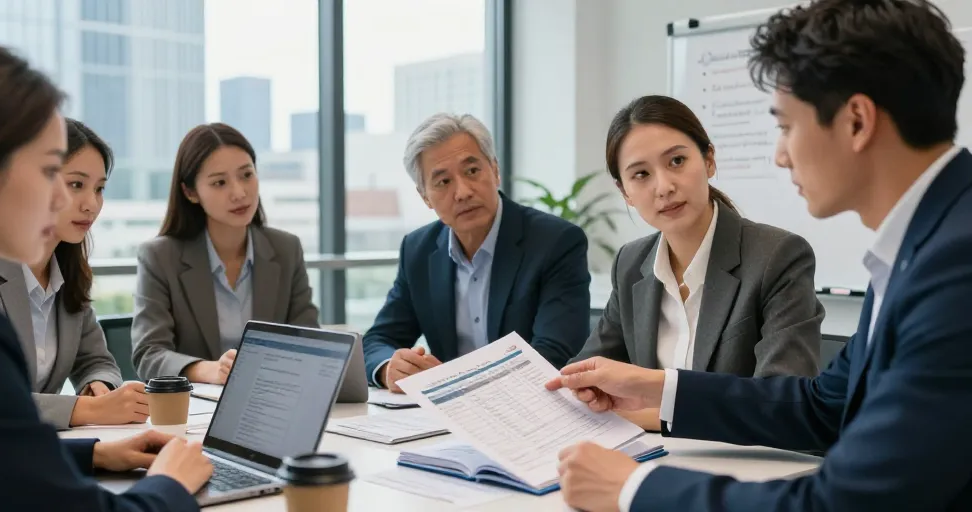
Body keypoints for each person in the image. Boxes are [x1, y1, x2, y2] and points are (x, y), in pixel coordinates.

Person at [547, 1, 972, 510]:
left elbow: (847, 503)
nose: (780, 154)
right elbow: (820, 408)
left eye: (787, 125)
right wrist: (654, 387)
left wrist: (633, 488)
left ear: (856, 121)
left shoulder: (956, 266)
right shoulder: (920, 248)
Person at [0, 41, 211, 511]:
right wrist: (171, 484)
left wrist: (93, 453)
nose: (69, 202)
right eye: (52, 172)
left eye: (96, 188)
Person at [569, 95, 824, 431]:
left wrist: (645, 415)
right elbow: (585, 375)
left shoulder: (778, 256)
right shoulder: (631, 263)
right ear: (625, 193)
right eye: (641, 174)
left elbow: (780, 402)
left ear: (708, 160)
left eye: (676, 161)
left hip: (745, 468)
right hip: (649, 459)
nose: (664, 187)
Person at [363, 113, 591, 392]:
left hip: (528, 412)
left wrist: (454, 382)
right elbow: (378, 340)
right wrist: (390, 367)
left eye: (472, 171)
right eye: (443, 182)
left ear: (494, 171)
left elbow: (553, 353)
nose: (463, 192)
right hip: (446, 420)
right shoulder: (418, 250)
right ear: (425, 197)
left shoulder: (555, 241)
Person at [0, 118, 147, 430]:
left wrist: (98, 387)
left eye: (99, 189)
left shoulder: (66, 274)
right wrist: (89, 410)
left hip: (41, 450)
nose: (91, 205)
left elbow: (96, 360)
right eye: (76, 185)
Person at [132, 123, 319, 383]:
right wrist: (209, 370)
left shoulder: (286, 250)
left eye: (246, 175)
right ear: (190, 192)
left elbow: (309, 341)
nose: (239, 193)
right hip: (195, 411)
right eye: (219, 182)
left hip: (271, 398)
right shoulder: (160, 257)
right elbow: (149, 355)